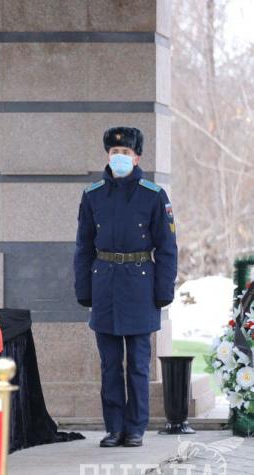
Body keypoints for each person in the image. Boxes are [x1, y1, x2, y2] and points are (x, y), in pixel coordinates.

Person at [74, 126, 178, 448]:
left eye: (126, 152)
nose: (119, 157)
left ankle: (135, 428)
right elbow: (83, 247)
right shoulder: (92, 195)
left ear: (137, 157)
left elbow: (167, 247)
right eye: (114, 152)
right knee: (109, 365)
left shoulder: (153, 195)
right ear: (108, 156)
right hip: (104, 284)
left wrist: (164, 290)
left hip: (140, 286)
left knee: (137, 365)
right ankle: (114, 428)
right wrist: (84, 289)